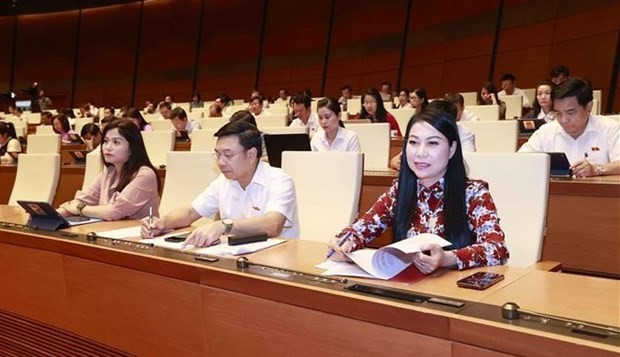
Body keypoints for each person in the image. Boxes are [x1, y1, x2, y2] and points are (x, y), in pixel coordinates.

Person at [328, 108, 508, 273]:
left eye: (433, 143)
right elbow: (362, 228)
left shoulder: (474, 193)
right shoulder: (400, 191)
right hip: (409, 290)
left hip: (455, 294)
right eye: (413, 142)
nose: (420, 152)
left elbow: (497, 249)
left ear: (452, 149)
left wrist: (448, 258)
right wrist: (344, 241)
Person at [140, 120, 300, 247]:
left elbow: (272, 225)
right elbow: (190, 212)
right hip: (235, 257)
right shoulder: (224, 181)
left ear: (251, 155)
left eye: (228, 155)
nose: (221, 163)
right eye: (217, 155)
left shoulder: (279, 180)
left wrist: (224, 225)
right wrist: (162, 223)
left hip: (277, 260)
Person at [58, 119, 160, 220]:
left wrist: (79, 208)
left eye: (116, 142)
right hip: (109, 231)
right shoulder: (109, 172)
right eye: (105, 141)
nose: (107, 147)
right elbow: (81, 200)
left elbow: (113, 212)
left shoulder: (145, 175)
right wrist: (52, 215)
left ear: (132, 148)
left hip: (139, 234)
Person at [518, 78, 619, 177]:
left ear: (588, 107)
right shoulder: (546, 132)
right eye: (558, 113)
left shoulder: (610, 128)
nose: (563, 120)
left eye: (570, 112)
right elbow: (520, 160)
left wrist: (596, 169)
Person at [389, 100, 475, 170]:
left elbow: (468, 161)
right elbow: (398, 158)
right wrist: (396, 162)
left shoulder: (464, 133)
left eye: (433, 143)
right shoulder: (421, 129)